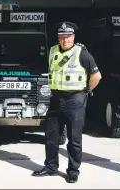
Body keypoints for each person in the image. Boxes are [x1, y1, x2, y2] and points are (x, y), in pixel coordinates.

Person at [32, 22, 101, 183]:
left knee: (74, 139)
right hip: (56, 99)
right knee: (51, 136)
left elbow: (96, 76)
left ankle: (73, 171)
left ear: (73, 37)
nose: (65, 39)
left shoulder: (82, 53)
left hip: (75, 99)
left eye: (68, 36)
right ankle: (50, 167)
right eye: (62, 36)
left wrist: (86, 91)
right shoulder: (53, 50)